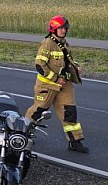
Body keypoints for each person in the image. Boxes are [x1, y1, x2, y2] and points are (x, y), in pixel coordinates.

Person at [24, 15, 89, 153]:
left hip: (64, 85)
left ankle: (75, 142)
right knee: (38, 111)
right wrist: (55, 79)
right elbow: (40, 65)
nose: (63, 30)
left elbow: (65, 61)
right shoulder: (47, 43)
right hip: (47, 86)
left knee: (70, 112)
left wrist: (75, 67)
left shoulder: (64, 43)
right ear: (53, 29)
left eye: (65, 28)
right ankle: (23, 135)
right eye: (60, 28)